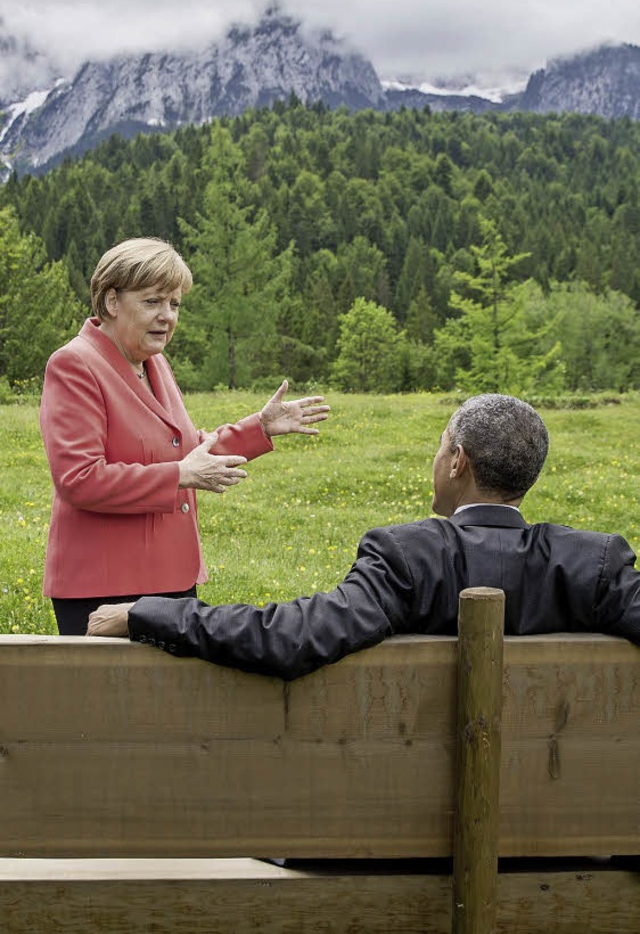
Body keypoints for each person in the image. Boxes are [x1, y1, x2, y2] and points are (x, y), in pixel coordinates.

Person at [87, 393, 640, 671]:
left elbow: (289, 636)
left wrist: (146, 613)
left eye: (441, 445)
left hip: (406, 844)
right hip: (569, 845)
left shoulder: (407, 558)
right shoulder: (594, 565)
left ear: (457, 463)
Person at [41, 236, 330, 635]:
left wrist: (259, 428)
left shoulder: (155, 363)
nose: (168, 316)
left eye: (174, 304)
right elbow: (80, 479)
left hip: (173, 582)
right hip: (104, 589)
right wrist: (177, 475)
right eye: (153, 302)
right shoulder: (74, 364)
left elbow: (188, 450)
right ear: (111, 301)